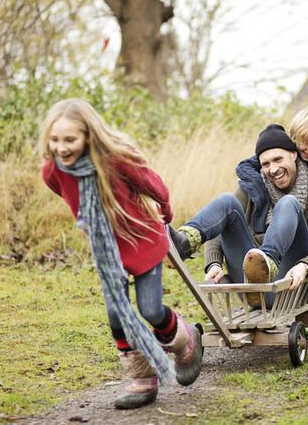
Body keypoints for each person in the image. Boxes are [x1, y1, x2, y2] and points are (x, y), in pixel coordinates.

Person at [39, 98, 202, 410]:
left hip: (143, 240)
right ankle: (142, 378)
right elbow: (70, 196)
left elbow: (155, 186)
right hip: (108, 251)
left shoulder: (116, 160)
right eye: (55, 140)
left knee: (150, 309)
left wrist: (165, 212)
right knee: (116, 314)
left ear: (88, 136)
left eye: (70, 140)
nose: (61, 148)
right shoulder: (53, 171)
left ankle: (185, 341)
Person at [168, 124, 308, 309]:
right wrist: (214, 264)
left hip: (287, 286)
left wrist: (305, 266)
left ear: (294, 154)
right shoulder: (251, 187)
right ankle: (183, 242)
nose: (273, 169)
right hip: (249, 287)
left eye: (278, 159)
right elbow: (218, 226)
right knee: (227, 201)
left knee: (289, 203)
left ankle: (268, 262)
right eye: (266, 164)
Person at [234, 106, 308, 316]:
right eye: (304, 145)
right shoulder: (283, 149)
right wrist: (252, 180)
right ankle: (305, 303)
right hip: (291, 213)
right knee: (298, 252)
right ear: (293, 140)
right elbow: (250, 164)